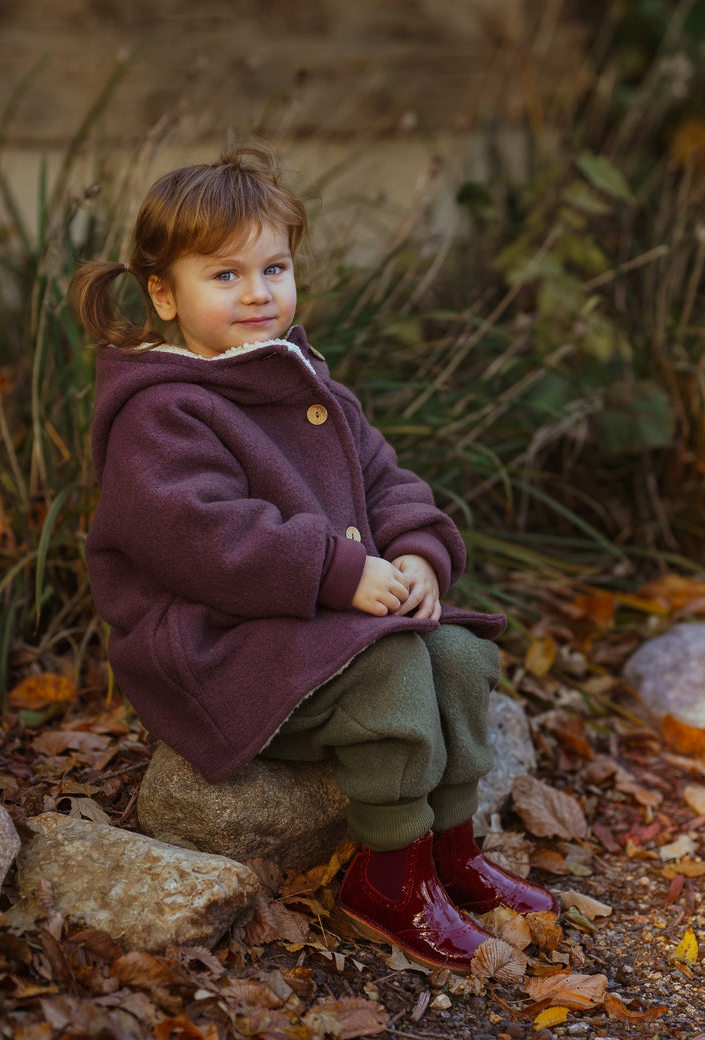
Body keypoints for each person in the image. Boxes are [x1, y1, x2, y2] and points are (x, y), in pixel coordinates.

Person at [69, 143, 559, 973]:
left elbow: (385, 478)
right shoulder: (162, 411)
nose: (257, 293)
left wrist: (417, 556)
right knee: (393, 674)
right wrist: (339, 571)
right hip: (213, 641)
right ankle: (386, 880)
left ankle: (450, 851)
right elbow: (204, 539)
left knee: (458, 654)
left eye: (275, 267)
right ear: (164, 293)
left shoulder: (300, 381)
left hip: (307, 617)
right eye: (224, 275)